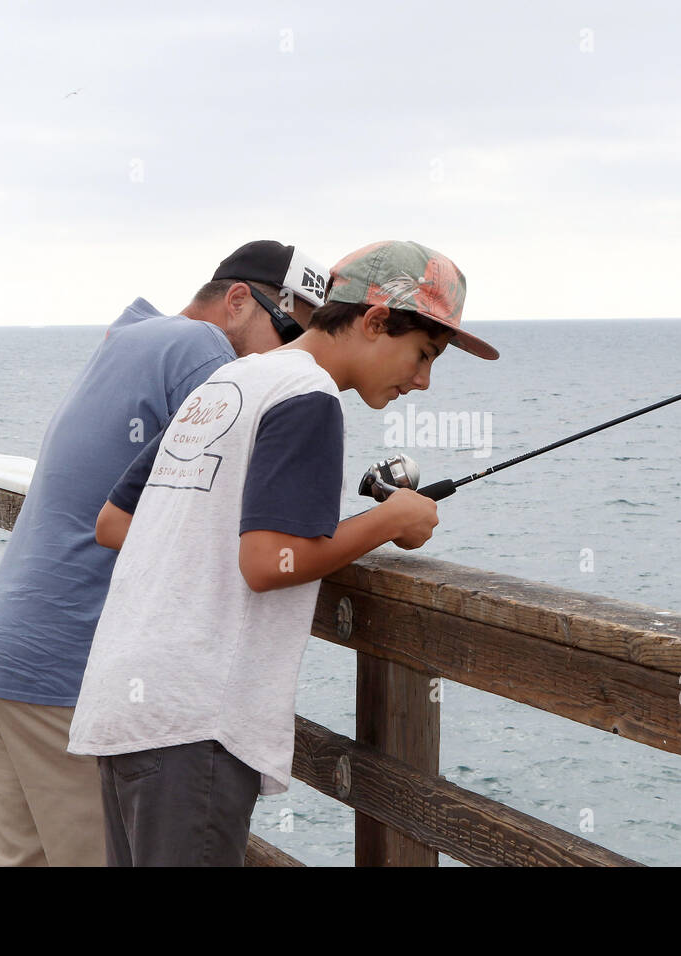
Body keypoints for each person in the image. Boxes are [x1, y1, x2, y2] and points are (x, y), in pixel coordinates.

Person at [67, 240, 499, 866]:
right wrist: (388, 518)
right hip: (196, 721)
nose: (423, 380)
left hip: (127, 704)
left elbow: (115, 520)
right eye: (424, 354)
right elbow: (270, 562)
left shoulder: (228, 381)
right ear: (376, 320)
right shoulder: (309, 396)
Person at [0, 240, 331, 866]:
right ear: (239, 300)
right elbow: (226, 521)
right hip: (65, 669)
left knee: (14, 858)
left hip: (2, 651)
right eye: (289, 329)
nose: (294, 356)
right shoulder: (202, 352)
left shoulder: (133, 337)